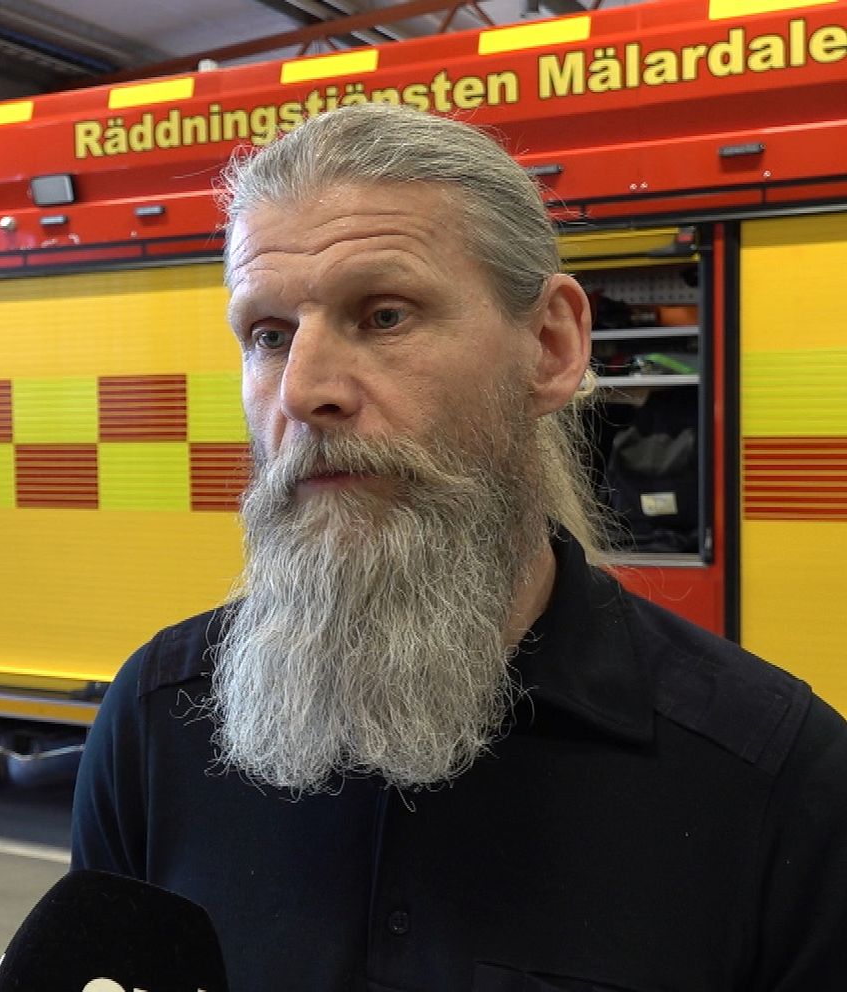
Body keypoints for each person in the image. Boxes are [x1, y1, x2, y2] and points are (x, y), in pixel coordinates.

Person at [71, 103, 847, 991]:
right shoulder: (156, 727)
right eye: (269, 335)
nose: (303, 390)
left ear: (550, 346)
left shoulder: (777, 787)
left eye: (384, 316)